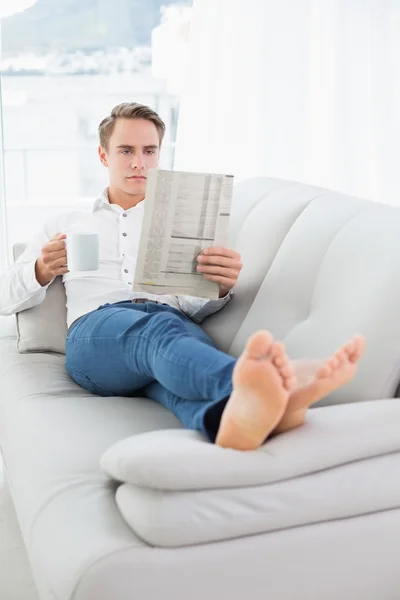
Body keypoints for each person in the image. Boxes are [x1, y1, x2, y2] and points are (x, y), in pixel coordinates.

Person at [0, 102, 365, 451]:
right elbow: (6, 296)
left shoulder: (180, 222)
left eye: (149, 151)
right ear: (103, 156)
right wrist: (41, 269)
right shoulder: (67, 223)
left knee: (175, 382)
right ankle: (263, 389)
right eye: (126, 150)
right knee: (158, 334)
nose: (138, 162)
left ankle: (236, 423)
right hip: (97, 334)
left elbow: (188, 306)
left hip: (170, 324)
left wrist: (218, 287)